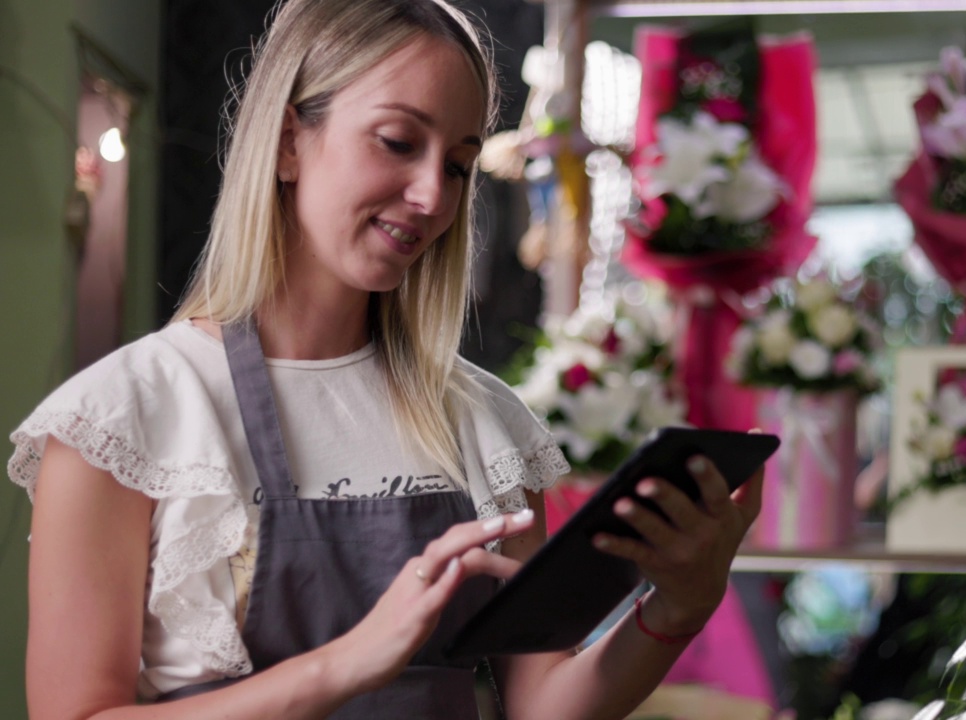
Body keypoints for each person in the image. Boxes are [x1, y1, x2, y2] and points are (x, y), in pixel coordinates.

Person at [8, 0, 763, 717]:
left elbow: (543, 706)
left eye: (461, 164)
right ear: (286, 142)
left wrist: (679, 604)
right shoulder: (122, 418)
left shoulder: (486, 423)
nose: (434, 194)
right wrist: (348, 662)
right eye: (399, 142)